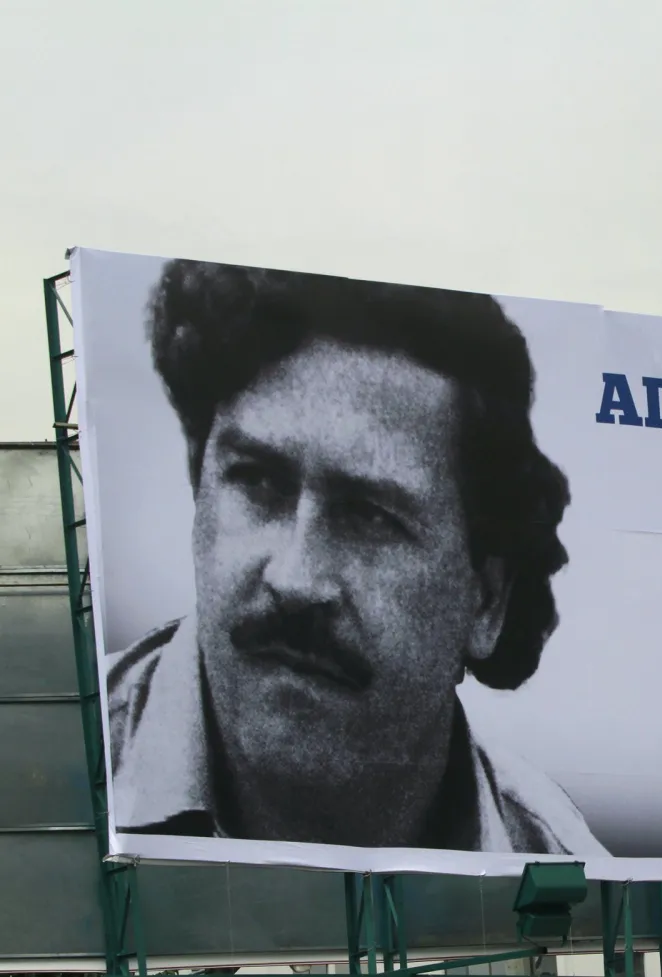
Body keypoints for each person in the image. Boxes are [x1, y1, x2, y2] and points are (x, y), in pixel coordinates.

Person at [106, 259, 605, 856]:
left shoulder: (566, 876)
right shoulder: (47, 784)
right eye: (258, 481)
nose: (295, 577)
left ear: (486, 600)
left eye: (368, 516)